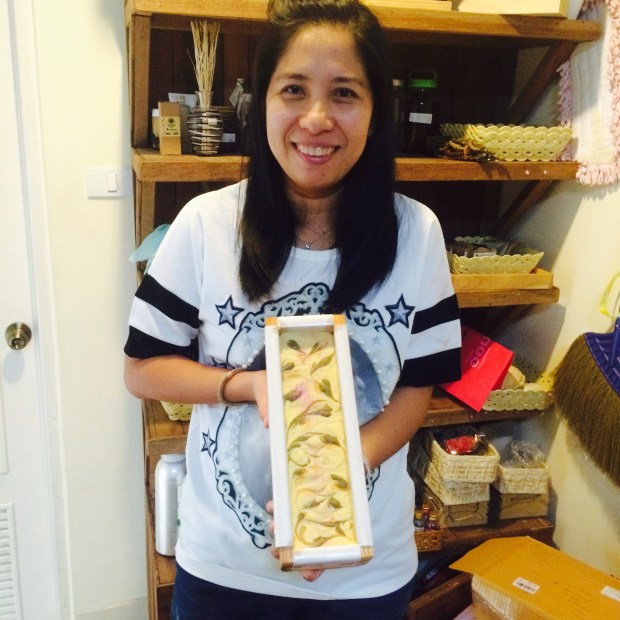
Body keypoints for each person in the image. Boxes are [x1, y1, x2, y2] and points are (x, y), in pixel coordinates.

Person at [124, 0, 461, 618]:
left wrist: (338, 473)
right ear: (262, 104)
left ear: (375, 113)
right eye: (294, 90)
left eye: (344, 93)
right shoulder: (205, 224)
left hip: (364, 577)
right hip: (223, 571)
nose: (316, 118)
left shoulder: (418, 233)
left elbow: (417, 387)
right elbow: (142, 368)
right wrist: (249, 384)